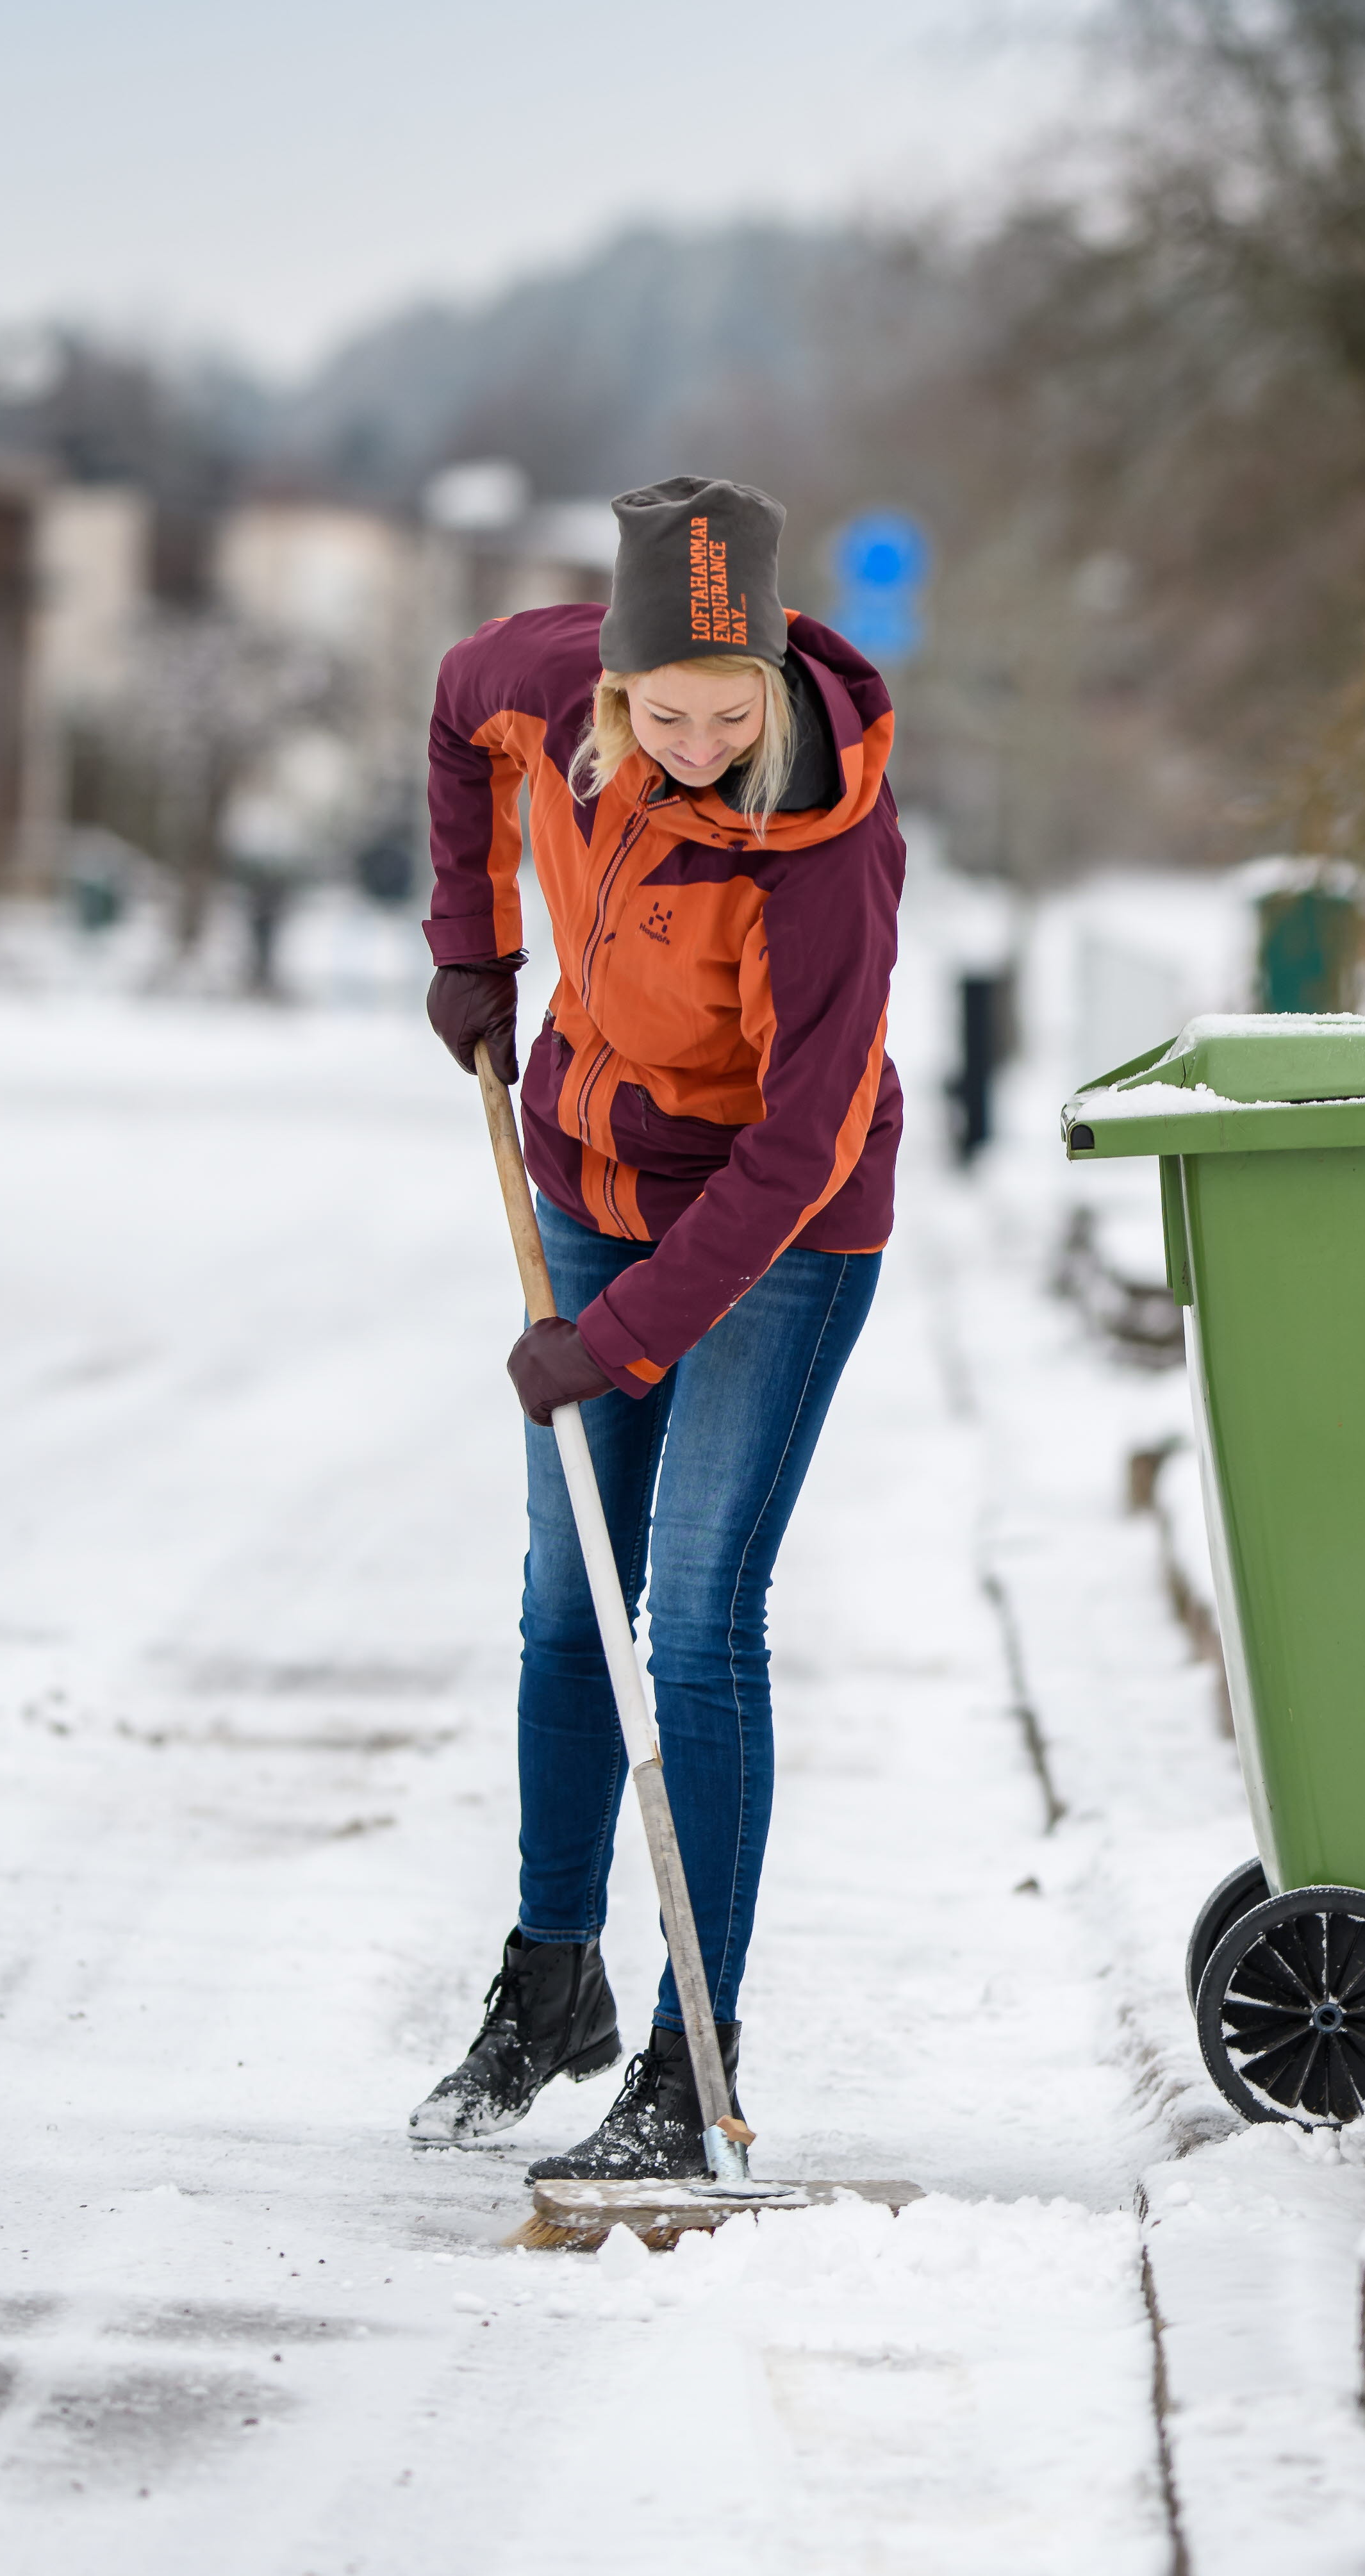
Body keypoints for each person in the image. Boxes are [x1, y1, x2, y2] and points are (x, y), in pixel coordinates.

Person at [404, 476, 904, 2179]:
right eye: (662, 711)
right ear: (610, 687)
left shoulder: (822, 853)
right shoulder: (543, 685)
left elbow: (801, 1144)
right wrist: (472, 948)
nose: (694, 744)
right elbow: (455, 712)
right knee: (569, 1605)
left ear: (773, 681)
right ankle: (555, 1980)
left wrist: (614, 1342)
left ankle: (697, 2057)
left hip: (779, 1233)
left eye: (726, 709)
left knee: (690, 1622)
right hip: (587, 1184)